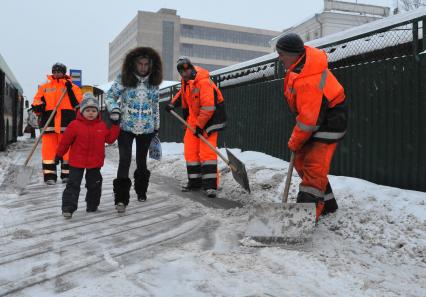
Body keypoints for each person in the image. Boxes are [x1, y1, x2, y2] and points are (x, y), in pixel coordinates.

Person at [276, 32, 348, 221]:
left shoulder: (309, 77)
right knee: (300, 161)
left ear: (292, 53)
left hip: (330, 121)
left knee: (314, 166)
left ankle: (302, 219)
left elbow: (309, 120)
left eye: (281, 53)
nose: (279, 57)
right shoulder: (297, 68)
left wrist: (294, 140)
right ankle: (328, 204)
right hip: (316, 119)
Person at [105, 47, 163, 213]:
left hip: (146, 129)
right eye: (140, 64)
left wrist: (156, 125)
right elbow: (110, 96)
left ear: (151, 65)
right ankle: (121, 198)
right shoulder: (124, 79)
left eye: (146, 64)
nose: (143, 67)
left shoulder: (153, 83)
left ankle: (141, 190)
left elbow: (155, 105)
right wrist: (114, 110)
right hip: (125, 127)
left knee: (141, 161)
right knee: (124, 160)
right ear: (133, 64)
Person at [165, 57, 226, 198]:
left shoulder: (203, 82)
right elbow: (183, 94)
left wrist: (200, 126)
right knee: (191, 151)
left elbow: (209, 107)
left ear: (192, 68)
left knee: (207, 153)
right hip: (194, 118)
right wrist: (173, 103)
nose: (185, 73)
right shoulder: (186, 82)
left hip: (210, 119)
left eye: (187, 69)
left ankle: (211, 186)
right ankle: (195, 182)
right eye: (182, 71)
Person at [56, 93, 120, 219]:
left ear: (97, 112)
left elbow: (110, 139)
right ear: (82, 111)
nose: (91, 113)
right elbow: (65, 142)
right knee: (73, 185)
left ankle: (92, 205)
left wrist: (115, 125)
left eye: (94, 110)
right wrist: (58, 155)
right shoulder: (74, 125)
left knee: (95, 184)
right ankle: (68, 208)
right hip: (76, 162)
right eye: (88, 110)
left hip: (95, 163)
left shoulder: (101, 126)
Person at [32, 62, 82, 185]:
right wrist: (38, 107)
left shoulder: (73, 87)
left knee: (67, 151)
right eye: (54, 71)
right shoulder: (44, 87)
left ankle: (67, 174)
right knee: (48, 152)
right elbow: (37, 99)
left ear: (64, 73)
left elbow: (79, 103)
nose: (56, 73)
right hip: (49, 123)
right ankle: (50, 176)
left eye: (59, 71)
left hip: (67, 124)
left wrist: (69, 90)